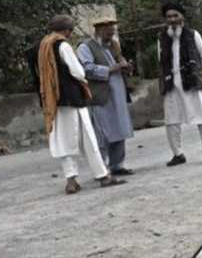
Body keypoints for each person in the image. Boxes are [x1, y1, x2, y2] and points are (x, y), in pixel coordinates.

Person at [33, 15, 125, 194]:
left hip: (54, 100)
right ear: (67, 30)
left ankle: (71, 180)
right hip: (73, 99)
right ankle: (103, 175)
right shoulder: (63, 45)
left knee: (64, 141)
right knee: (88, 139)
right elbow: (78, 71)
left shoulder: (41, 45)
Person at [158, 2, 202, 167]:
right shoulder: (162, 37)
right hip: (171, 84)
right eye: (169, 17)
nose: (172, 19)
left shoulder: (193, 34)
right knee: (171, 120)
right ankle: (178, 154)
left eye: (175, 16)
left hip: (192, 82)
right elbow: (160, 60)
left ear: (182, 17)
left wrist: (198, 73)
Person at [77, 18, 135, 175]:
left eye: (112, 31)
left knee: (119, 129)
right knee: (102, 133)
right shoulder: (85, 47)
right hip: (100, 95)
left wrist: (126, 67)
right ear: (98, 30)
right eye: (107, 31)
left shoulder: (114, 45)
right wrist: (113, 68)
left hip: (118, 94)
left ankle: (117, 165)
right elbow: (86, 69)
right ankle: (102, 168)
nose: (110, 34)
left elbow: (120, 62)